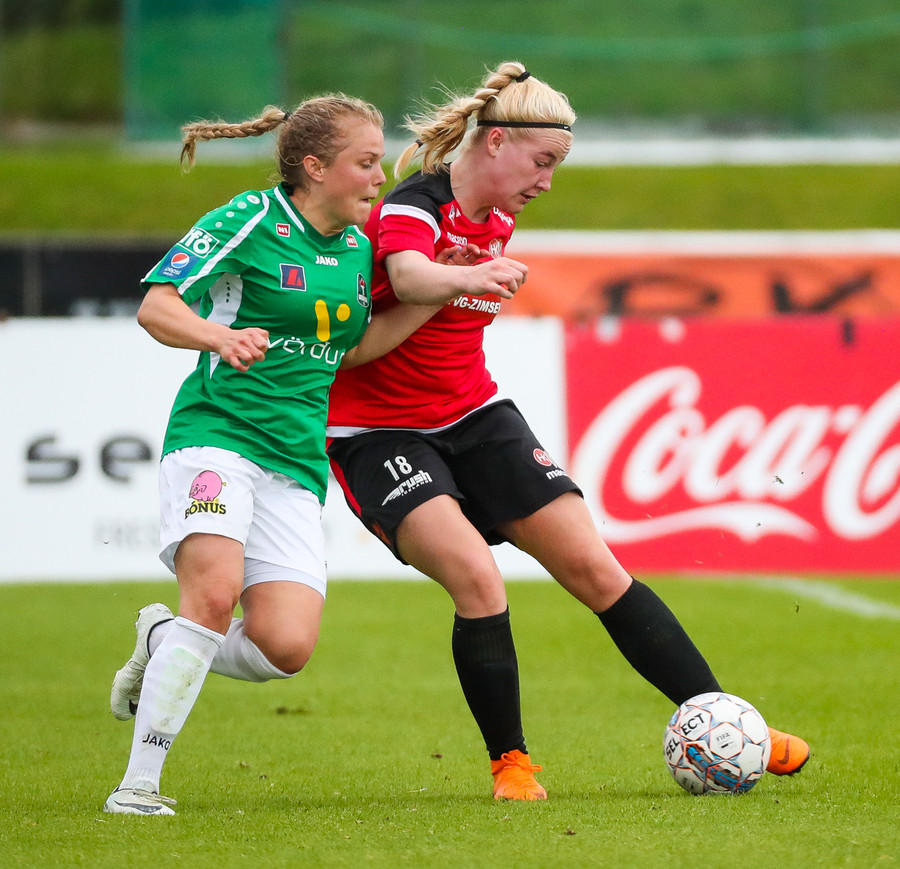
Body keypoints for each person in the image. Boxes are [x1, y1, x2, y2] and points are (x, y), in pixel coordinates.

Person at [325, 61, 811, 801]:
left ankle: (724, 717)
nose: (547, 182)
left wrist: (471, 271)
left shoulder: (498, 217)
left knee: (596, 568)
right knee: (477, 578)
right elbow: (412, 275)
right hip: (377, 431)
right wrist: (465, 276)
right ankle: (511, 764)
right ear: (495, 142)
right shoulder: (414, 206)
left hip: (474, 413)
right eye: (542, 161)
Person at [103, 95, 498, 816]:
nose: (379, 177)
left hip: (295, 461)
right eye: (366, 162)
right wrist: (219, 336)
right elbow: (157, 306)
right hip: (218, 434)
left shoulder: (357, 250)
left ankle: (162, 635)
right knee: (213, 597)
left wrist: (439, 289)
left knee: (284, 648)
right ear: (315, 167)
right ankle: (138, 786)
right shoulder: (251, 218)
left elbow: (355, 349)